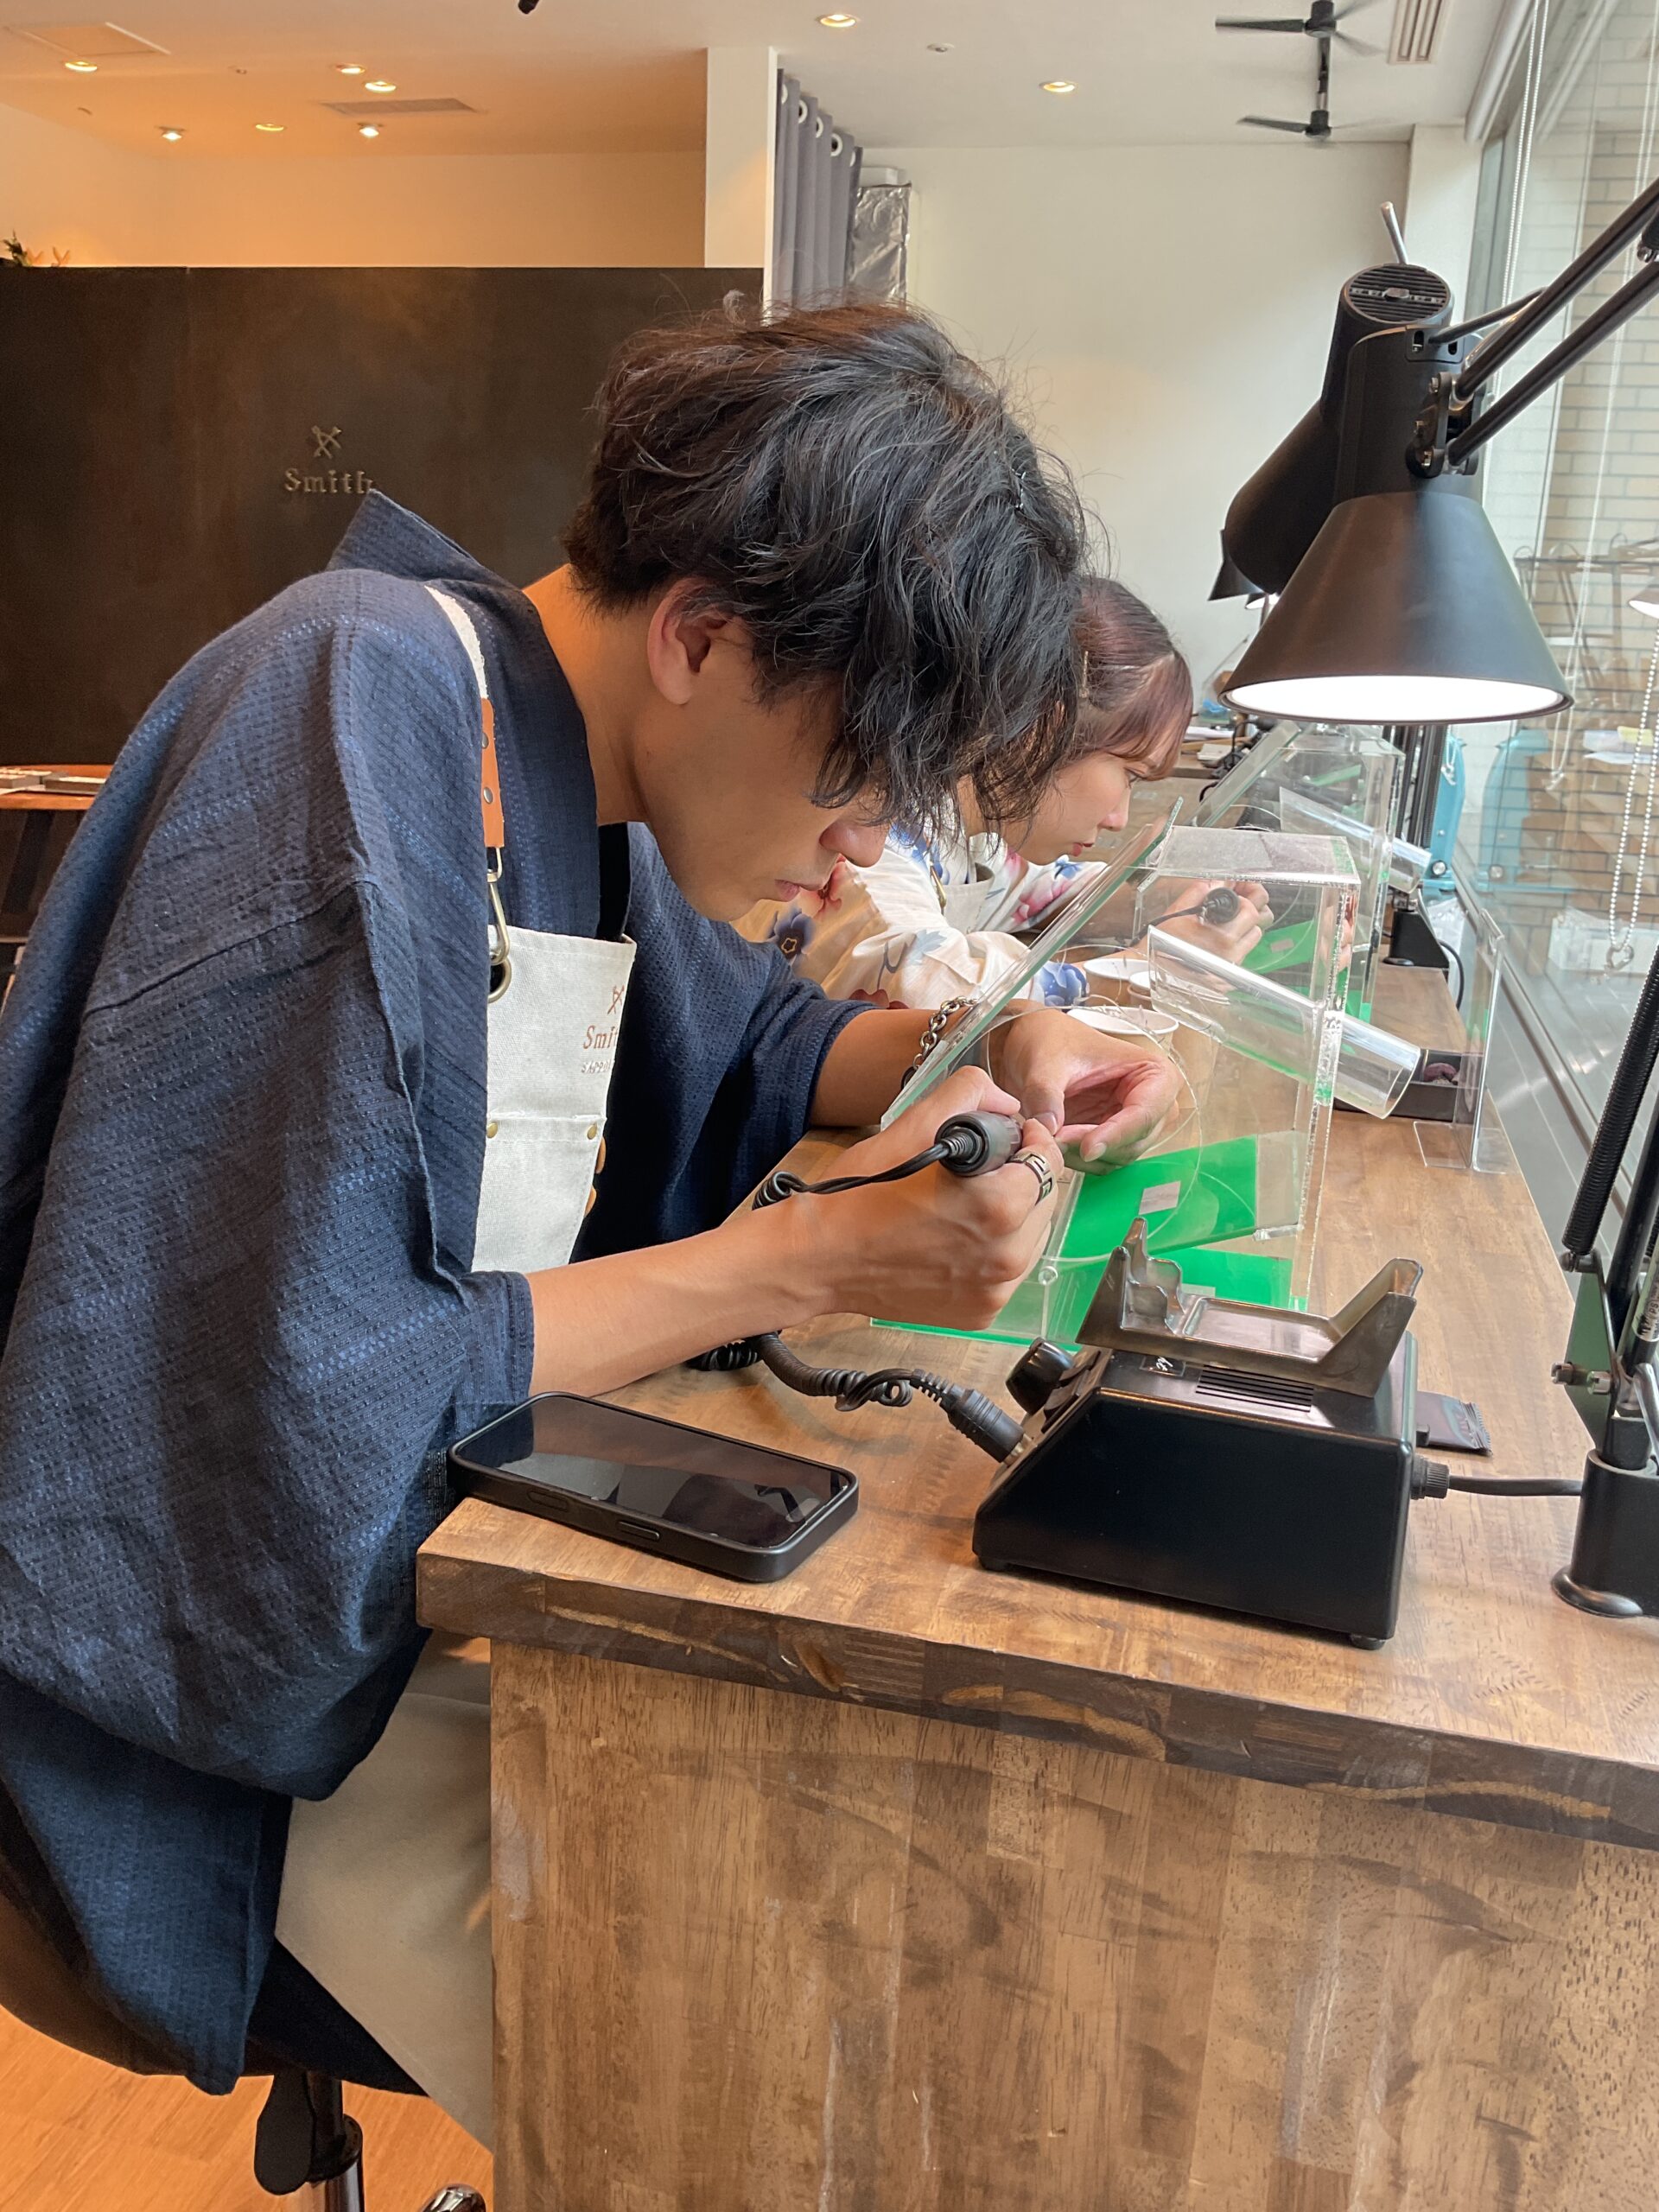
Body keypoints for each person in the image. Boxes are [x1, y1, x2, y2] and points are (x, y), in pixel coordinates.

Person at [0, 300, 1182, 2142]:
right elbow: (312, 1404)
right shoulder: (359, 709)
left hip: (376, 1599)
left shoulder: (570, 768)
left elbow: (765, 1051)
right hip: (152, 1703)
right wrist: (806, 1257)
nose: (869, 849)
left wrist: (1008, 1037)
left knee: (845, 1846)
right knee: (755, 2015)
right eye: (862, 778)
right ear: (702, 634)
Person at [739, 579, 1270, 1008]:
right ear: (1046, 728)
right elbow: (926, 989)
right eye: (1129, 773)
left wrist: (1176, 899)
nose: (1118, 818)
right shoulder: (869, 842)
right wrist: (1143, 971)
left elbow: (1047, 890)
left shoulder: (976, 831)